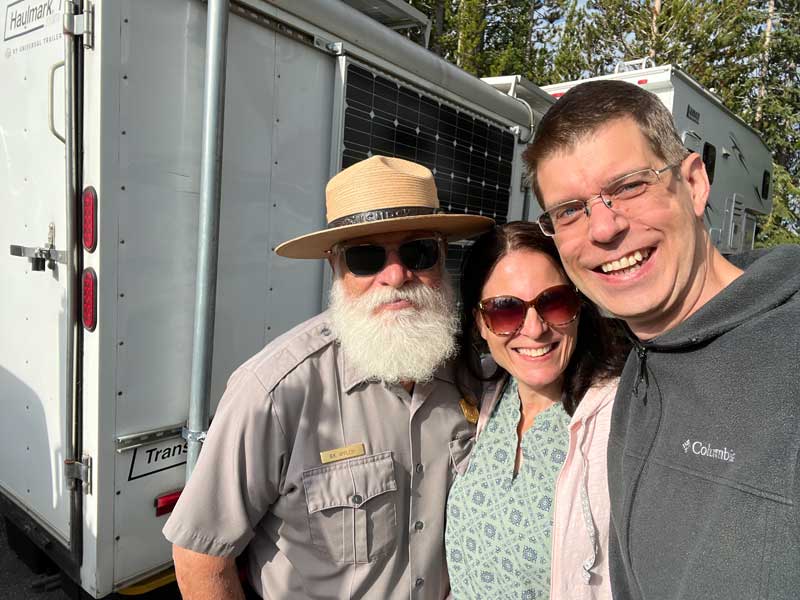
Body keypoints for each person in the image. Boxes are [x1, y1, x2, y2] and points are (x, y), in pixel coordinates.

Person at [163, 155, 494, 599]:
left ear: (442, 258)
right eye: (366, 257)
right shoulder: (276, 392)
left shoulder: (472, 373)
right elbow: (200, 557)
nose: (395, 275)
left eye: (418, 251)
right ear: (335, 267)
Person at [522, 79, 800, 599]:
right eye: (569, 210)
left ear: (694, 183)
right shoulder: (642, 362)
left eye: (628, 185)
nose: (603, 228)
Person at [445, 221, 629, 599]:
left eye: (553, 302)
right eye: (505, 311)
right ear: (481, 323)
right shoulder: (488, 397)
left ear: (578, 305)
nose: (535, 329)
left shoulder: (617, 418)